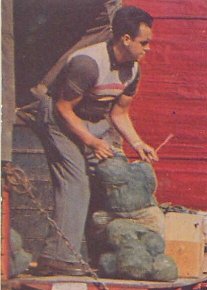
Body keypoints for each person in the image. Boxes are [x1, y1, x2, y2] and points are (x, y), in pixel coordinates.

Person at [34, 6, 158, 276]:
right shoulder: (88, 63)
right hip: (58, 117)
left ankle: (98, 257)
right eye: (144, 43)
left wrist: (137, 144)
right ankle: (57, 256)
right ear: (125, 39)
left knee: (108, 178)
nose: (148, 49)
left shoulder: (132, 71)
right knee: (75, 181)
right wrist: (91, 142)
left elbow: (119, 113)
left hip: (91, 118)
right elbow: (63, 109)